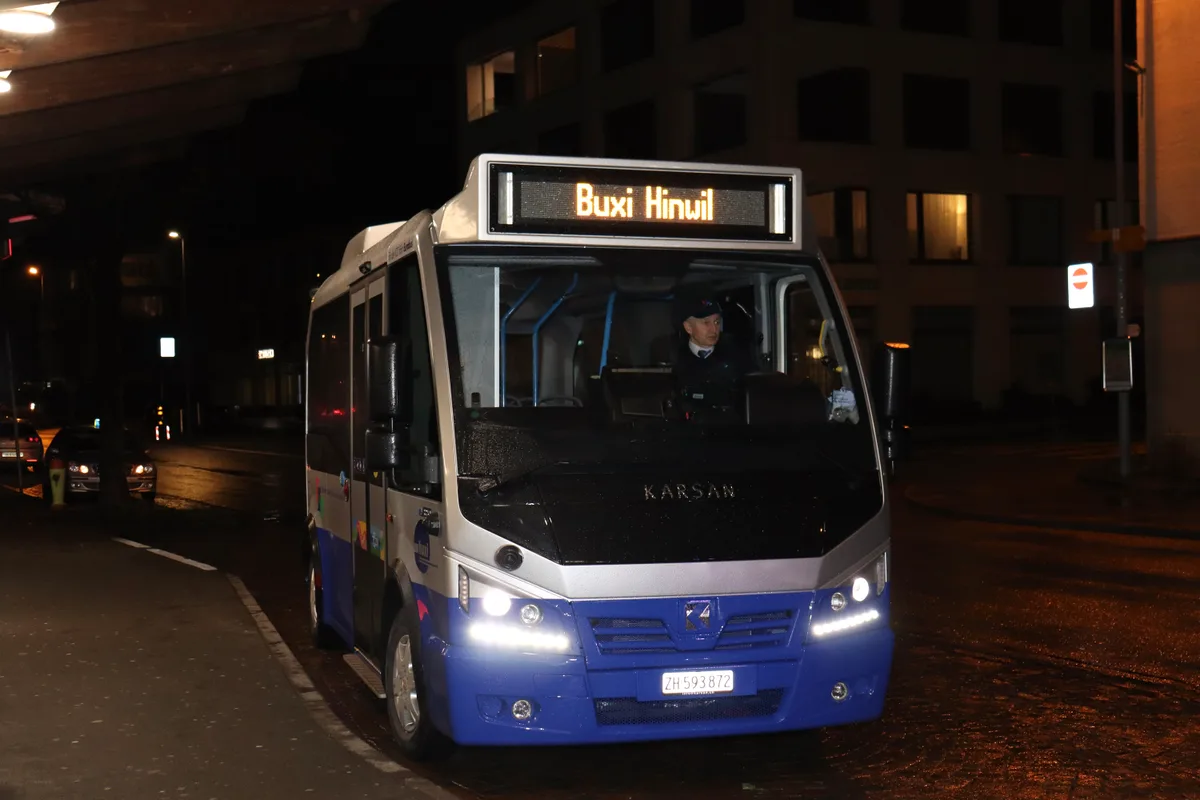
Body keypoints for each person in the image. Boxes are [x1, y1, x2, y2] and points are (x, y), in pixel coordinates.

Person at [671, 298, 759, 410]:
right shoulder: (676, 359)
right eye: (706, 323)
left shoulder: (736, 352)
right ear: (689, 327)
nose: (714, 329)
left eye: (717, 322)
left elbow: (755, 389)